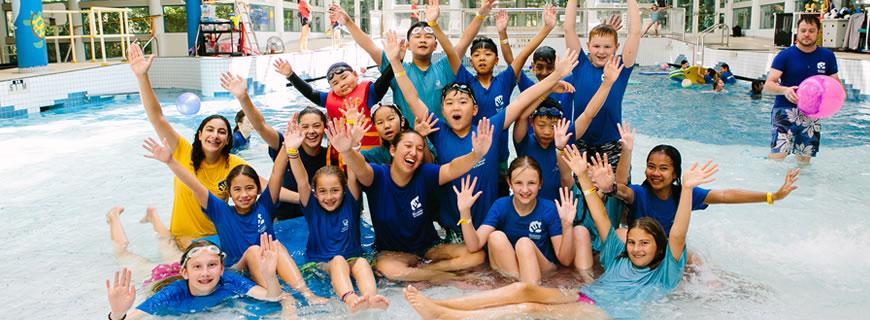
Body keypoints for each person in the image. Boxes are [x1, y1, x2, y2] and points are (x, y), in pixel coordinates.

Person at [400, 147, 716, 319]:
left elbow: (677, 233)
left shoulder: (665, 272)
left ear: (659, 248)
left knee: (528, 310)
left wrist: (686, 189)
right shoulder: (617, 258)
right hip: (586, 297)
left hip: (604, 315)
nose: (635, 248)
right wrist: (581, 174)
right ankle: (445, 308)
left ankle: (451, 317)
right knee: (524, 291)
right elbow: (598, 215)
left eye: (644, 244)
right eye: (632, 242)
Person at [387, 29, 580, 245]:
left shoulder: (489, 128)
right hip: (453, 229)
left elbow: (521, 100)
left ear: (475, 109)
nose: (456, 106)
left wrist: (556, 76)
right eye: (449, 103)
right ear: (442, 110)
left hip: (487, 226)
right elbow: (412, 97)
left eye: (462, 102)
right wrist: (395, 62)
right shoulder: (439, 132)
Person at [142, 129, 326, 304]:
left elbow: (277, 173)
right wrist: (170, 162)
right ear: (229, 192)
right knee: (255, 250)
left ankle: (307, 294)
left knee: (275, 245)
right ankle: (284, 297)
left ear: (258, 189)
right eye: (237, 190)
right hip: (238, 270)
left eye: (250, 188)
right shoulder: (221, 211)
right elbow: (195, 185)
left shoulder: (265, 206)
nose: (244, 195)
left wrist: (288, 146)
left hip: (268, 264)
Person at [332, 113, 493, 281]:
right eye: (408, 146)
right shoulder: (377, 176)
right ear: (393, 150)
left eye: (419, 148)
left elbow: (452, 168)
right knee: (389, 269)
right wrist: (347, 150)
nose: (413, 153)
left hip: (429, 250)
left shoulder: (425, 174)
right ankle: (448, 278)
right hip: (393, 254)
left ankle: (426, 272)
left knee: (477, 256)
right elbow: (360, 167)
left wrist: (476, 155)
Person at [128, 43, 248, 249]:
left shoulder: (234, 165)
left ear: (228, 140)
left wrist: (307, 194)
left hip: (215, 239)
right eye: (209, 130)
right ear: (200, 134)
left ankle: (152, 216)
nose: (215, 135)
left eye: (222, 132)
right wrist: (142, 77)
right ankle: (153, 216)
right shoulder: (182, 150)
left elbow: (264, 187)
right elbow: (157, 117)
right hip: (181, 238)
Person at [285, 115, 389, 312]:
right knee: (339, 260)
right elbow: (301, 181)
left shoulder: (351, 202)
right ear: (315, 193)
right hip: (321, 263)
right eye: (323, 191)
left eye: (335, 190)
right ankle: (349, 298)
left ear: (344, 190)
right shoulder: (311, 205)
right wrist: (292, 152)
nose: (329, 197)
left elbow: (353, 173)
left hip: (352, 258)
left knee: (361, 263)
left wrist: (350, 147)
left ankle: (371, 297)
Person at [602, 144, 800, 236]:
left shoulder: (685, 194)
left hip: (669, 251)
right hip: (641, 250)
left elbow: (724, 196)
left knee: (701, 270)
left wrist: (772, 196)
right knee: (621, 233)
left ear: (675, 174)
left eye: (663, 168)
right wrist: (609, 186)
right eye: (651, 166)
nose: (655, 173)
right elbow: (622, 191)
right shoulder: (639, 193)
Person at [221, 74, 333, 221]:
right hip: (284, 219)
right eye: (305, 126)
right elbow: (260, 126)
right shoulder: (284, 145)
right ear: (297, 128)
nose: (311, 131)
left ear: (324, 127)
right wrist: (243, 97)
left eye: (316, 126)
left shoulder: (331, 155)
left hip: (319, 217)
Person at [104, 236, 294, 319]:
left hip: (182, 267)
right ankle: (115, 220)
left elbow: (272, 296)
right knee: (127, 256)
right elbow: (128, 318)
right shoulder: (173, 293)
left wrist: (269, 276)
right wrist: (117, 313)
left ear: (221, 269)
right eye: (197, 267)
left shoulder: (228, 281)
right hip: (161, 275)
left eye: (212, 265)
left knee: (171, 250)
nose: (205, 273)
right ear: (185, 272)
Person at [453, 159, 577, 284]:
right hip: (513, 271)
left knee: (524, 244)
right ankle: (520, 288)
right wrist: (465, 212)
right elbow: (474, 245)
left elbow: (565, 260)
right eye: (518, 183)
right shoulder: (500, 205)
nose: (525, 189)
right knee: (495, 237)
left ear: (540, 184)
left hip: (544, 271)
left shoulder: (548, 209)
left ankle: (527, 289)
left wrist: (567, 225)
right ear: (510, 183)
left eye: (531, 183)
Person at [337, 0, 461, 123]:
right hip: (406, 140)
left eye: (428, 37)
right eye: (417, 37)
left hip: (439, 139)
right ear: (408, 45)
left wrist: (434, 24)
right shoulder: (397, 68)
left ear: (435, 46)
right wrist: (348, 23)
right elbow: (370, 46)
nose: (422, 40)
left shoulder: (445, 68)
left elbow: (461, 43)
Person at [564, 0, 640, 169]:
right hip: (580, 142)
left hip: (611, 145)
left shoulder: (621, 68)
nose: (601, 51)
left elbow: (635, 33)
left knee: (615, 192)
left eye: (607, 47)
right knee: (582, 192)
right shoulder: (580, 65)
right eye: (596, 46)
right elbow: (569, 29)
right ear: (588, 46)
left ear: (616, 47)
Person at [763, 15, 839, 164]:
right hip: (785, 110)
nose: (807, 34)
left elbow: (834, 84)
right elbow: (768, 85)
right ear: (797, 31)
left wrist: (831, 100)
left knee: (804, 160)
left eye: (811, 31)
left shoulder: (827, 56)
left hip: (811, 113)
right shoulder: (785, 55)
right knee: (778, 156)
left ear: (818, 32)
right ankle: (770, 186)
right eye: (803, 30)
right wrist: (784, 90)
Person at [275, 57, 393, 150]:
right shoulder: (329, 99)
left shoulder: (370, 93)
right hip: (344, 155)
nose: (341, 84)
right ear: (331, 88)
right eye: (335, 83)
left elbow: (385, 79)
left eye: (344, 77)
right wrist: (291, 76)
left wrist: (396, 60)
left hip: (371, 153)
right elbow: (310, 92)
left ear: (356, 75)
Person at [363, 103, 437, 165]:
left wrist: (421, 137)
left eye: (391, 119)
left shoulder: (419, 138)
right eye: (380, 123)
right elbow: (355, 159)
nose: (386, 126)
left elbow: (430, 164)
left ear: (402, 121)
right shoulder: (378, 153)